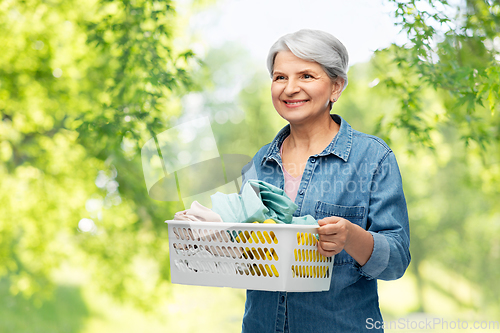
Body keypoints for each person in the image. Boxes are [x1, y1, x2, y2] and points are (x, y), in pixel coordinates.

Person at [240, 29, 410, 332]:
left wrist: (351, 237)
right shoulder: (260, 162)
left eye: (306, 76)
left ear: (336, 87)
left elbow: (396, 260)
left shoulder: (373, 158)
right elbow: (244, 251)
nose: (290, 89)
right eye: (280, 77)